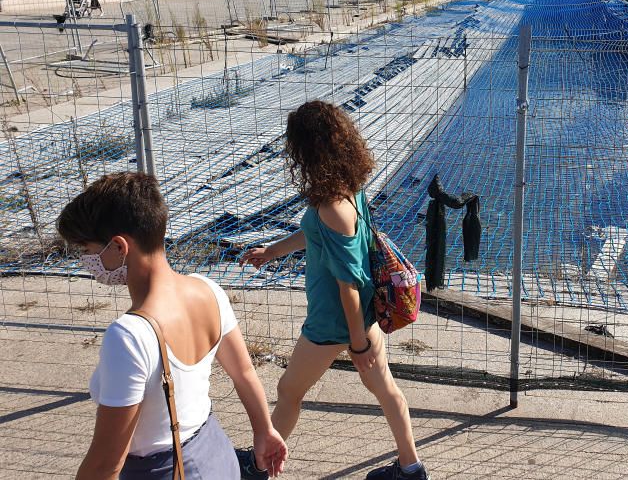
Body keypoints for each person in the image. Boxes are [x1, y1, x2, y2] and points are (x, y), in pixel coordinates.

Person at [237, 101, 429, 480]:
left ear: (308, 152)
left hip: (333, 324)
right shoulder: (349, 190)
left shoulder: (330, 207)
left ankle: (260, 467)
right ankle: (411, 469)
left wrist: (357, 345)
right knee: (387, 390)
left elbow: (349, 286)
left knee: (289, 390)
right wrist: (271, 252)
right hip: (364, 319)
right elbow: (314, 236)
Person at [59, 172, 287, 480]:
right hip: (217, 457)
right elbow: (244, 372)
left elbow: (105, 465)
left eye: (87, 249)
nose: (86, 259)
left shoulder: (129, 336)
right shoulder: (208, 290)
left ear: (118, 246)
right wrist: (264, 430)